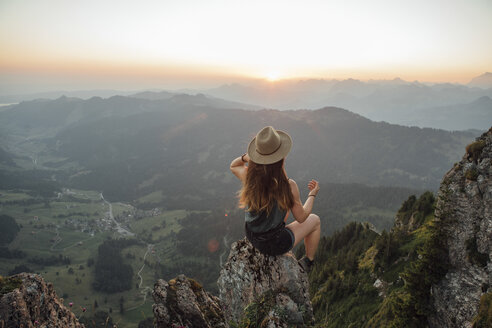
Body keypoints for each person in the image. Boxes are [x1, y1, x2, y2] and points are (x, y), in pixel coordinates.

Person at [230, 126, 321, 272]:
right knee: (315, 220)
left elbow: (234, 165)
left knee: (282, 207)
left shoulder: (250, 178)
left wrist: (246, 157)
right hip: (274, 244)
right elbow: (302, 217)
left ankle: (274, 227)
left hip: (253, 236)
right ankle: (309, 261)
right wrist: (312, 194)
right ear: (281, 157)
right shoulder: (289, 186)